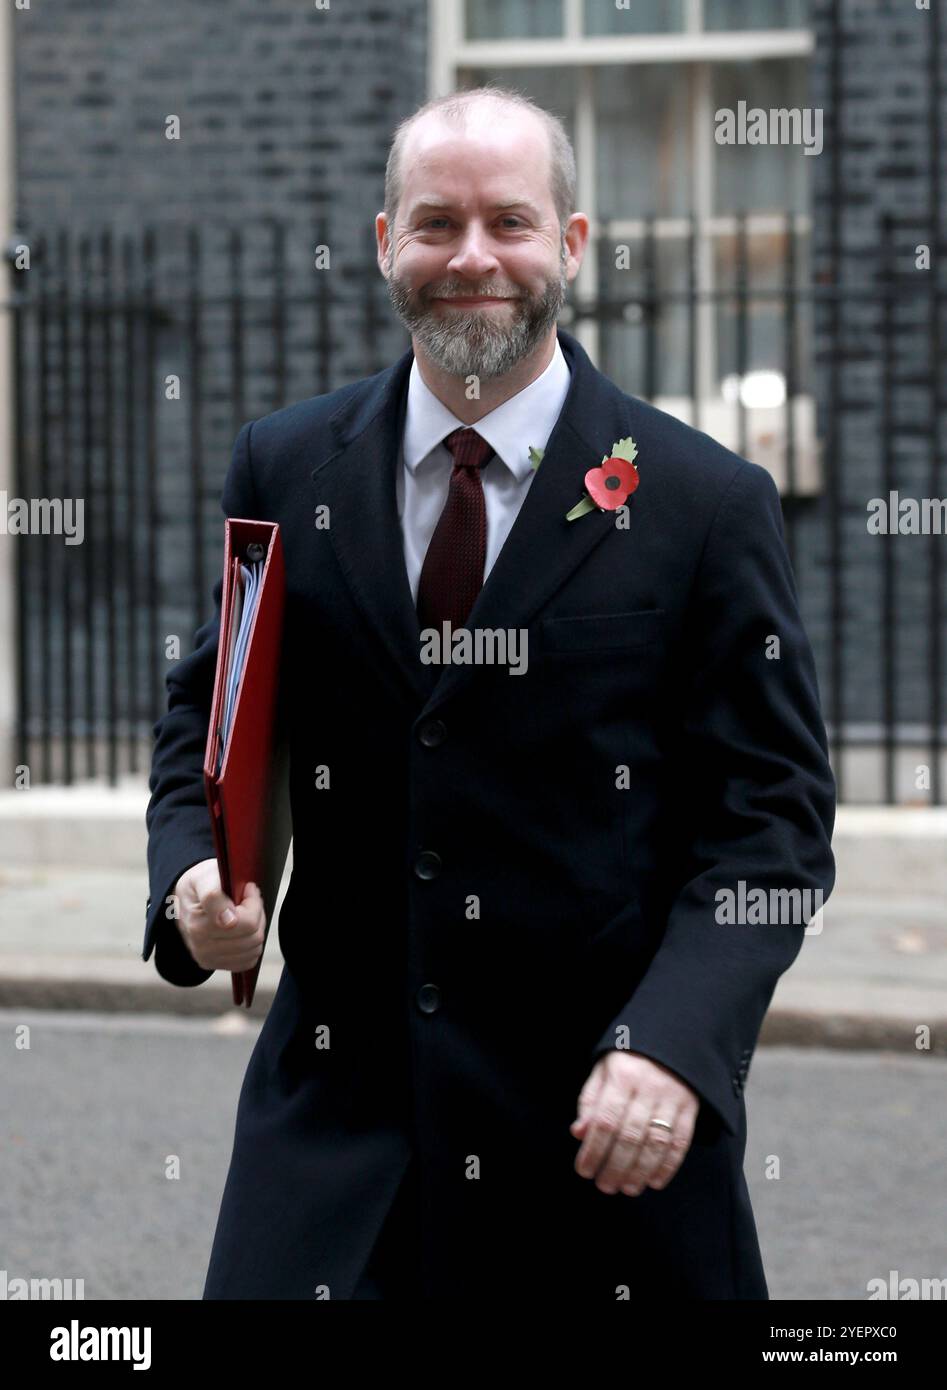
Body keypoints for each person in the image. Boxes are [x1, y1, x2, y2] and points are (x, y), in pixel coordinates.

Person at [143, 86, 836, 1300]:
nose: (472, 257)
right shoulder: (286, 462)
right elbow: (206, 721)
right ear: (384, 245)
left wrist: (671, 1045)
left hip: (600, 1146)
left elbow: (770, 824)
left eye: (509, 222)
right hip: (336, 1145)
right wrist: (193, 877)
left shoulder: (701, 501)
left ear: (568, 244)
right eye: (437, 223)